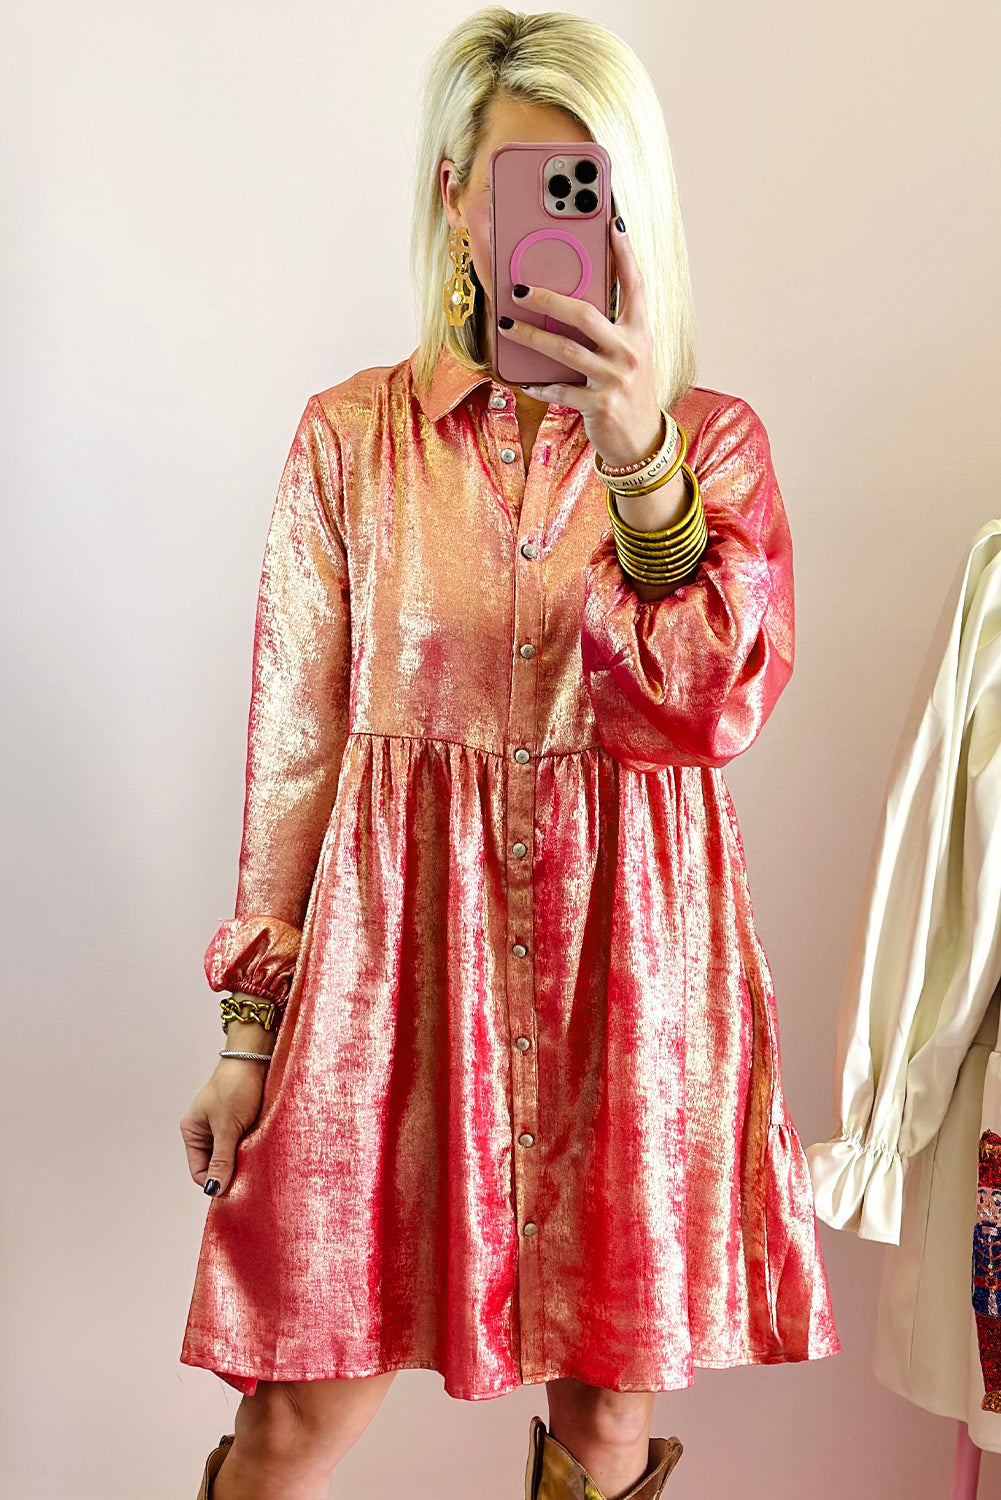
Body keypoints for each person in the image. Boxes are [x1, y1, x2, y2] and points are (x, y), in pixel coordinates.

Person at [178, 9, 841, 1498]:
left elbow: (706, 706)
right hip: (394, 984)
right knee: (294, 1419)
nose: (560, 223)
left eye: (592, 188)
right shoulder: (351, 440)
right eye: (525, 185)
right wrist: (247, 1035)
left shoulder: (711, 446)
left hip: (632, 980)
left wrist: (641, 461)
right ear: (453, 199)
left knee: (603, 1424)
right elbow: (296, 760)